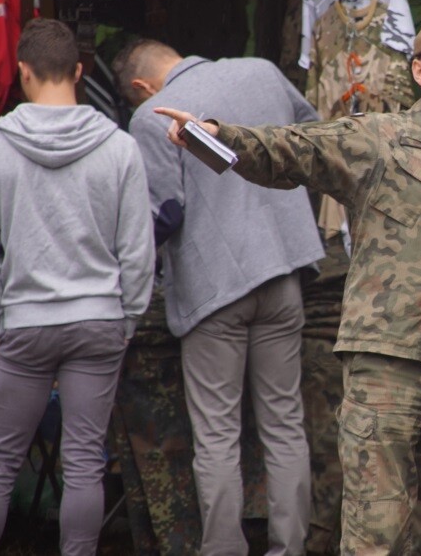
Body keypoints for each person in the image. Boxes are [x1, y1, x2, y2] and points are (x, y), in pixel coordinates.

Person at [154, 10, 421, 555]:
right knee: (375, 538)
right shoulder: (379, 139)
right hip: (388, 371)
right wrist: (216, 137)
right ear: (420, 73)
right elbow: (290, 150)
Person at [112, 39, 324, 556]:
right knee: (285, 424)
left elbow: (166, 212)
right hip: (283, 273)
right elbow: (315, 141)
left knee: (217, 437)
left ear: (142, 87)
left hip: (215, 292)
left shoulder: (151, 116)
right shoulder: (263, 71)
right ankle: (290, 548)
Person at [0, 18, 154, 556]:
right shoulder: (119, 147)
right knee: (84, 463)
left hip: (25, 322)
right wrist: (128, 319)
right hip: (99, 323)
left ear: (23, 72)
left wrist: (3, 320)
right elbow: (138, 251)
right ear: (78, 70)